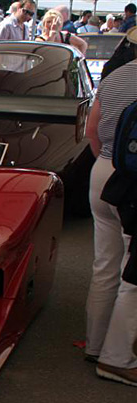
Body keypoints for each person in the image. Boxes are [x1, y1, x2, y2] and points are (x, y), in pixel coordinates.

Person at [83, 58, 137, 386]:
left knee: (105, 264)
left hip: (103, 172)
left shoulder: (116, 75)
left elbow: (92, 131)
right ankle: (118, 358)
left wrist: (107, 162)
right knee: (133, 274)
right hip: (133, 182)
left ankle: (95, 344)